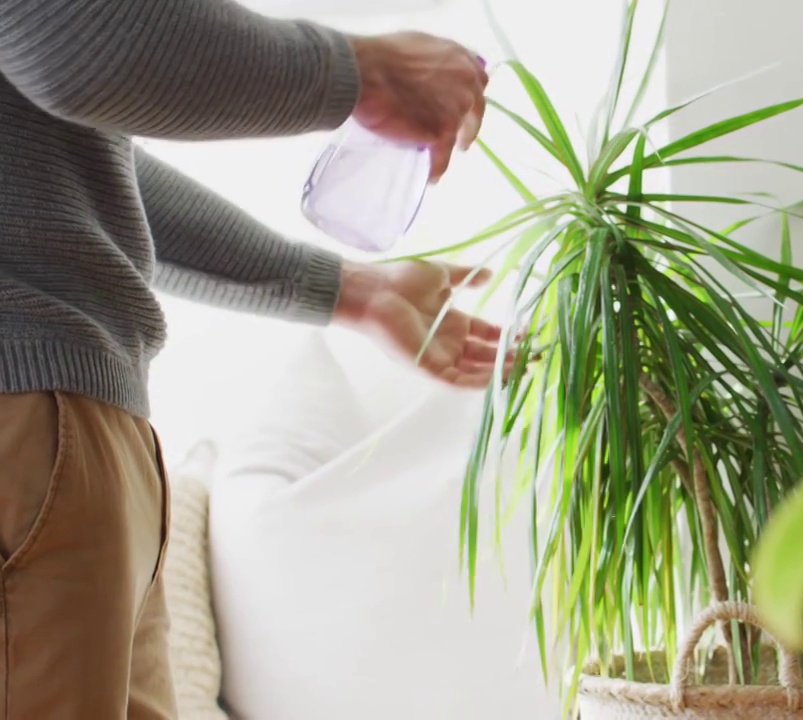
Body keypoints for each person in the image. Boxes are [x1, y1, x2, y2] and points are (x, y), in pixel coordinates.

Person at [0, 1, 504, 717]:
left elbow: (81, 161)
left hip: (70, 420)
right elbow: (75, 39)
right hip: (32, 416)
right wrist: (363, 71)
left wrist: (349, 290)